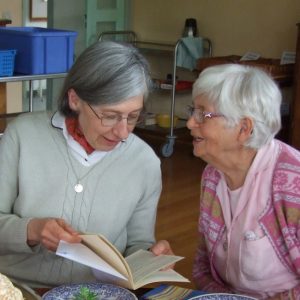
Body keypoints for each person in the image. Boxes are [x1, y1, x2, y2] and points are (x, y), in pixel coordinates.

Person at [0, 41, 173, 288]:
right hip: (16, 288)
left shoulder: (144, 162)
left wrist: (152, 257)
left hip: (96, 293)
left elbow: (138, 243)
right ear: (74, 99)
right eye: (110, 116)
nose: (123, 132)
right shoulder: (22, 136)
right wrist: (33, 230)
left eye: (133, 116)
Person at [187, 64, 300, 299]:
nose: (190, 123)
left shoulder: (293, 183)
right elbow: (202, 264)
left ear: (244, 128)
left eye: (202, 114)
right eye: (192, 111)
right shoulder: (212, 175)